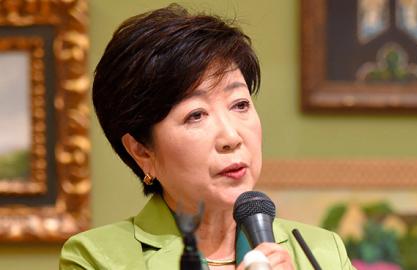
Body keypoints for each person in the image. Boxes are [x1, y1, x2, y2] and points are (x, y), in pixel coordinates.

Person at [59, 4, 355, 270]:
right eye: (196, 115)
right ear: (142, 151)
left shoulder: (322, 253)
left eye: (240, 105)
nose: (231, 136)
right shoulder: (96, 258)